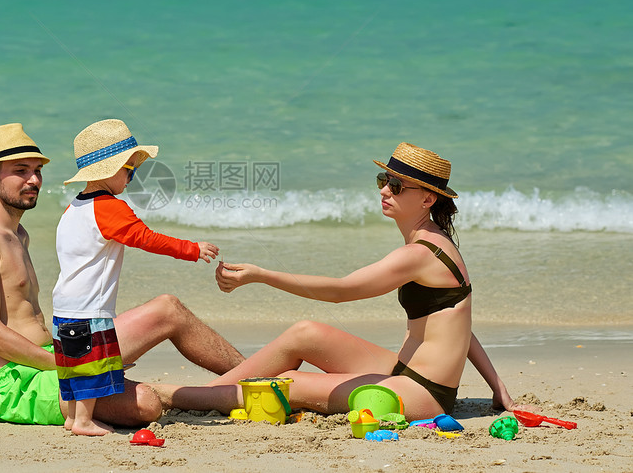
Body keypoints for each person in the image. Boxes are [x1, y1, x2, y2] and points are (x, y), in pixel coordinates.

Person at [0, 123, 243, 428]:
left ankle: (258, 377)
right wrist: (67, 362)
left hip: (57, 351)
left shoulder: (18, 236)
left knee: (168, 308)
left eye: (37, 170)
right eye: (21, 170)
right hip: (20, 384)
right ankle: (242, 391)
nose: (34, 179)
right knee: (147, 402)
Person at [154, 143, 525, 420]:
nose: (384, 190)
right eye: (384, 180)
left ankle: (169, 395)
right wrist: (498, 387)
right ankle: (202, 395)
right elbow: (460, 322)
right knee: (305, 332)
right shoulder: (433, 242)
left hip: (422, 393)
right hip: (403, 370)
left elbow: (341, 291)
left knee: (291, 385)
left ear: (428, 198)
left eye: (396, 185)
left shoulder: (420, 253)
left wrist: (263, 276)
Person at [53, 119, 220, 436]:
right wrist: (191, 249)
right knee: (91, 366)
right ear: (107, 170)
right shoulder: (110, 209)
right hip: (90, 309)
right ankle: (84, 422)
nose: (132, 176)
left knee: (73, 365)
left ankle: (73, 417)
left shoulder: (72, 208)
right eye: (129, 168)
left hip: (63, 306)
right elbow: (148, 238)